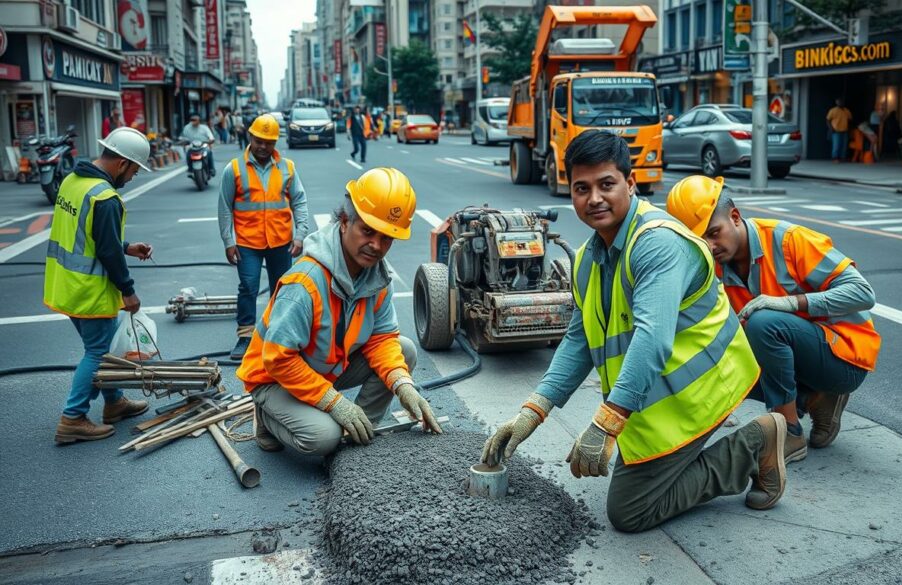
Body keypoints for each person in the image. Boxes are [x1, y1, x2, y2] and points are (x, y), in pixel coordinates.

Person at [480, 130, 787, 533]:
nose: (594, 199)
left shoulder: (655, 243)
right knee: (636, 486)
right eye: (581, 188)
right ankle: (694, 454)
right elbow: (579, 339)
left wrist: (607, 422)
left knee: (630, 512)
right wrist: (533, 411)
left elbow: (652, 339)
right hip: (655, 399)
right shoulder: (590, 258)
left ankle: (754, 445)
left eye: (607, 184)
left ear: (631, 183)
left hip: (702, 391)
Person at [666, 175, 881, 464]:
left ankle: (788, 432)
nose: (710, 245)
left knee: (763, 322)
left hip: (845, 358)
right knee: (722, 355)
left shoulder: (788, 239)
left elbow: (863, 292)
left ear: (735, 217)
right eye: (699, 240)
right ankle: (815, 400)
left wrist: (790, 303)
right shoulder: (712, 267)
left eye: (713, 232)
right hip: (800, 359)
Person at [236, 167, 441, 455]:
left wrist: (403, 384)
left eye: (386, 238)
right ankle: (267, 417)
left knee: (404, 351)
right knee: (322, 438)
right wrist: (335, 403)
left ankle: (357, 431)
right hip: (274, 378)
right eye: (367, 231)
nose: (376, 246)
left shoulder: (377, 278)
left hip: (323, 369)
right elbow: (278, 360)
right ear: (345, 221)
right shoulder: (305, 282)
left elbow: (381, 340)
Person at [43, 127, 155, 444]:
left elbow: (89, 234)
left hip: (65, 284)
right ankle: (73, 418)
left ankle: (115, 402)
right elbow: (105, 250)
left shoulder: (72, 181)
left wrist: (127, 245)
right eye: (134, 169)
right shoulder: (105, 197)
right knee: (99, 353)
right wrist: (128, 291)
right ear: (122, 164)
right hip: (88, 290)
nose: (133, 176)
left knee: (99, 349)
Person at [218, 114, 310, 360]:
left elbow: (299, 201)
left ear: (275, 143)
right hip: (248, 242)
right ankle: (246, 336)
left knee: (281, 289)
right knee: (248, 287)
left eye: (268, 142)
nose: (263, 147)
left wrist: (300, 235)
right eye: (259, 141)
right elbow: (225, 206)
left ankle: (276, 333)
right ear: (250, 137)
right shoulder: (234, 169)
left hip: (281, 240)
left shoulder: (288, 168)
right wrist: (228, 241)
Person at [826, 98, 852, 163]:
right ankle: (834, 158)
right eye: (838, 102)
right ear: (836, 102)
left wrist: (849, 128)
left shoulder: (847, 111)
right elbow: (827, 120)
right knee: (836, 145)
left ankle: (842, 158)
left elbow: (850, 120)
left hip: (845, 130)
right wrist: (831, 129)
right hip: (836, 131)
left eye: (841, 101)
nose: (840, 103)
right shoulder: (833, 110)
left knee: (844, 146)